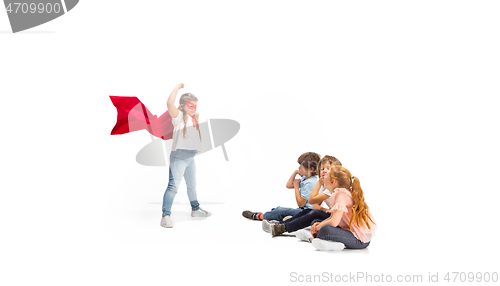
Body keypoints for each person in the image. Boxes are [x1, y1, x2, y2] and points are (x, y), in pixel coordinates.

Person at [160, 83, 211, 228]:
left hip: (190, 157)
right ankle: (165, 216)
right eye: (190, 106)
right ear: (182, 106)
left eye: (195, 106)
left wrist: (196, 118)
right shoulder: (178, 117)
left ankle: (195, 209)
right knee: (173, 186)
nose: (193, 109)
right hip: (179, 156)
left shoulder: (193, 118)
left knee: (192, 185)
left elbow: (193, 137)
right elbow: (169, 103)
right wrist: (176, 88)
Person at [265, 155, 342, 237]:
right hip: (333, 216)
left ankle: (283, 227)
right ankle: (279, 225)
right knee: (308, 212)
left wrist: (319, 183)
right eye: (322, 169)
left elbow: (311, 201)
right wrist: (325, 209)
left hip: (339, 220)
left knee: (314, 213)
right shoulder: (324, 187)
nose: (324, 171)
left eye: (328, 168)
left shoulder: (334, 187)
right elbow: (314, 205)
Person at [306, 166, 376, 251]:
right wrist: (317, 225)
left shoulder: (342, 194)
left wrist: (316, 228)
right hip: (348, 231)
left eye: (327, 175)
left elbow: (334, 222)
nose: (323, 176)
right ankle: (327, 241)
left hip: (359, 240)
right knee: (315, 222)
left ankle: (334, 244)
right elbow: (332, 217)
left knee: (325, 230)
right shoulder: (338, 194)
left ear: (333, 181)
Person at [242, 152, 320, 222]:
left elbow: (300, 204)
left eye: (301, 166)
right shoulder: (306, 178)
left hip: (309, 212)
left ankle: (259, 216)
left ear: (311, 169)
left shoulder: (310, 183)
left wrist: (296, 187)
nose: (299, 168)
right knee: (278, 210)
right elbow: (288, 185)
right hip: (303, 210)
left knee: (281, 210)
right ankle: (282, 216)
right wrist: (295, 172)